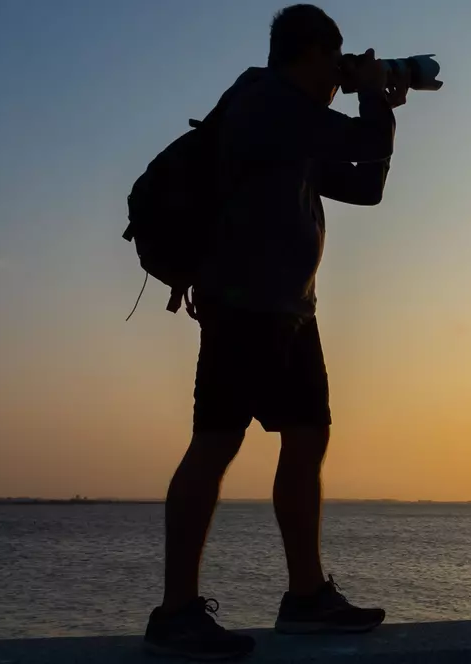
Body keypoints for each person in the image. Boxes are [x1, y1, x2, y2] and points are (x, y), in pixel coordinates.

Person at [143, 5, 407, 660]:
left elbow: (367, 184)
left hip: (291, 309)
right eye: (336, 61)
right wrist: (373, 97)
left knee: (308, 435)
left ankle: (306, 597)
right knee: (215, 443)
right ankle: (175, 612)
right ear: (312, 53)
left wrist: (379, 105)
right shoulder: (267, 102)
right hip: (244, 304)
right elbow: (365, 141)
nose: (340, 74)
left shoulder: (296, 121)